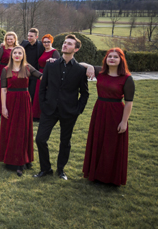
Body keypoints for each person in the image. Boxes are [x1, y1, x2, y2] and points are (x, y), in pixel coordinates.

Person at [34, 34, 89, 180]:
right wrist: (43, 105)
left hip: (69, 111)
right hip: (49, 109)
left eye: (70, 44)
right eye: (65, 43)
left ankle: (60, 170)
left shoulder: (80, 70)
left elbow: (85, 93)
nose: (65, 45)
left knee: (65, 142)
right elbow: (42, 87)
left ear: (76, 49)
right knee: (40, 139)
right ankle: (45, 169)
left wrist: (78, 110)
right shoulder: (50, 65)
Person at [81, 48, 134, 186]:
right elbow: (80, 63)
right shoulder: (100, 72)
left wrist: (124, 122)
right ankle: (96, 174)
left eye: (115, 57)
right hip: (100, 110)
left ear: (121, 60)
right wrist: (91, 66)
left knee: (111, 144)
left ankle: (110, 177)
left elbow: (129, 102)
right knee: (98, 140)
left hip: (116, 113)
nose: (112, 59)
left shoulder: (127, 78)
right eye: (109, 56)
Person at [0, 46, 43, 176]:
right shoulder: (6, 70)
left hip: (24, 102)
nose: (17, 55)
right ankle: (11, 160)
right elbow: (3, 90)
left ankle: (23, 160)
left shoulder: (28, 68)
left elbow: (42, 77)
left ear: (23, 55)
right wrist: (3, 107)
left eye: (20, 53)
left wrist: (52, 64)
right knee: (11, 129)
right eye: (15, 53)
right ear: (11, 55)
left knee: (22, 130)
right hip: (10, 102)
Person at [31, 34, 60, 121]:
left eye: (48, 42)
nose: (46, 43)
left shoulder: (54, 52)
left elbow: (58, 65)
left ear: (51, 42)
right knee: (38, 95)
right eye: (44, 42)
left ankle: (44, 115)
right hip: (40, 74)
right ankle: (36, 115)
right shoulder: (43, 51)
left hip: (48, 75)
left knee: (46, 95)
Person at [0, 32, 18, 115]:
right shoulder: (2, 48)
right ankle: (0, 109)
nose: (9, 40)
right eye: (7, 39)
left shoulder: (17, 48)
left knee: (11, 89)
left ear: (14, 39)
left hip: (13, 70)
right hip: (3, 70)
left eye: (11, 39)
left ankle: (11, 107)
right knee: (2, 89)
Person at [21, 28, 45, 102]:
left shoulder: (41, 45)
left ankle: (30, 111)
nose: (29, 38)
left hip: (35, 73)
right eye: (28, 36)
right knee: (22, 93)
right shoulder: (24, 43)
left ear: (36, 37)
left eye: (31, 36)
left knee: (32, 93)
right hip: (24, 72)